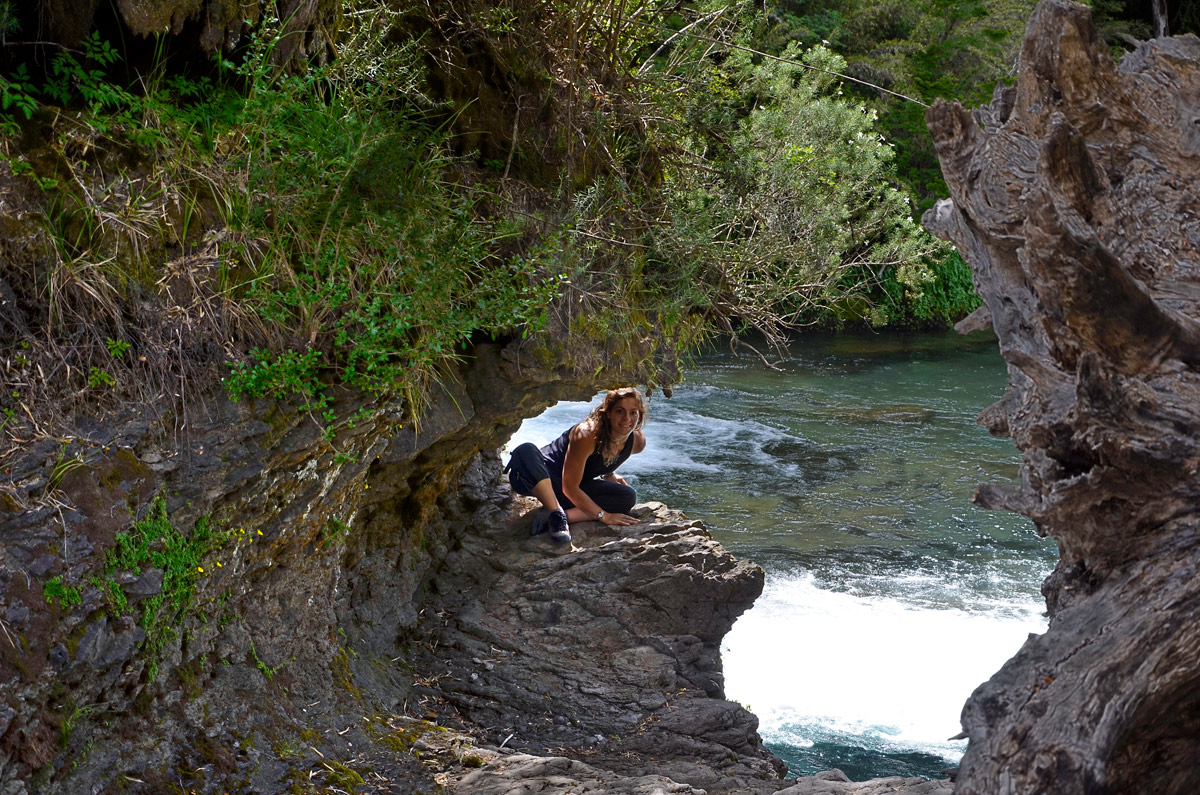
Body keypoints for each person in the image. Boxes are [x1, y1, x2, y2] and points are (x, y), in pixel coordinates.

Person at [505, 387, 648, 545]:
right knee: (526, 450)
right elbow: (570, 488)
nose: (627, 419)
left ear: (640, 415)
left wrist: (609, 473)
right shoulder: (587, 434)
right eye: (620, 411)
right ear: (608, 413)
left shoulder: (637, 442)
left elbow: (605, 455)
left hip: (568, 489)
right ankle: (556, 514)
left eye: (633, 412)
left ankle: (560, 516)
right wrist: (605, 516)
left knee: (627, 496)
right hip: (536, 479)